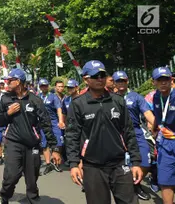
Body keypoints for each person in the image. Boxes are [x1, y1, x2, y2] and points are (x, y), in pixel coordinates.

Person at [66, 60, 142, 204]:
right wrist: (74, 164)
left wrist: (136, 161)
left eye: (102, 75)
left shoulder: (118, 101)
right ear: (85, 79)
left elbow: (128, 132)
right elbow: (72, 136)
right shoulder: (78, 104)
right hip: (93, 166)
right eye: (95, 76)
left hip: (119, 164)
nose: (100, 79)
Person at [0, 68, 61, 204]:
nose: (7, 82)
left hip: (32, 145)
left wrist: (54, 148)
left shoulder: (34, 100)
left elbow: (46, 124)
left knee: (32, 179)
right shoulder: (6, 98)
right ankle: (5, 195)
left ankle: (33, 199)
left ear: (18, 81)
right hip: (13, 143)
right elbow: (0, 121)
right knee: (11, 176)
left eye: (9, 80)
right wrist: (8, 113)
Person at [113, 70, 156, 200]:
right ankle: (130, 187)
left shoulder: (136, 97)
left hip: (136, 132)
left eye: (123, 80)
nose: (121, 83)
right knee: (120, 164)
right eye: (118, 81)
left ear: (127, 81)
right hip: (116, 133)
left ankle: (135, 183)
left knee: (146, 161)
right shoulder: (110, 97)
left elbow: (147, 113)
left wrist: (157, 126)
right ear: (114, 83)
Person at [151, 67, 175, 204]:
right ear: (154, 82)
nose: (163, 83)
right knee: (165, 180)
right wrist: (155, 129)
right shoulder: (156, 96)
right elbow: (158, 117)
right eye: (159, 80)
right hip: (165, 143)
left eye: (166, 79)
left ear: (171, 80)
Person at [38, 78, 65, 173]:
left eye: (45, 85)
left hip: (53, 122)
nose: (44, 87)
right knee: (44, 144)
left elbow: (59, 109)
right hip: (42, 123)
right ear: (40, 87)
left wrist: (61, 121)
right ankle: (48, 163)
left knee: (57, 142)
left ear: (48, 86)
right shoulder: (38, 96)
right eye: (42, 86)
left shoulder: (53, 96)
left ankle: (57, 163)